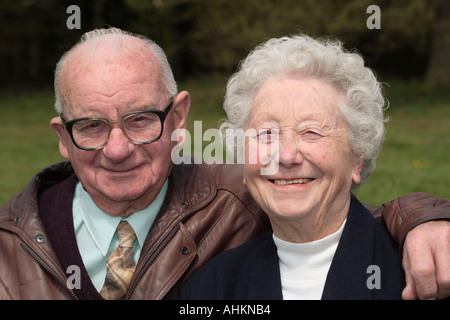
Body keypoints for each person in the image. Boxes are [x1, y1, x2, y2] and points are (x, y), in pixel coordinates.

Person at [0, 28, 448, 300]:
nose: (117, 149)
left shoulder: (234, 201)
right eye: (92, 126)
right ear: (63, 136)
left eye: (140, 120)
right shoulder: (9, 247)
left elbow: (338, 216)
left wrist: (428, 220)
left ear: (177, 119)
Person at [180, 34, 450, 300]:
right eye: (266, 134)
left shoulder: (422, 271)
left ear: (358, 158)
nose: (286, 156)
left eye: (311, 132)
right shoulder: (211, 287)